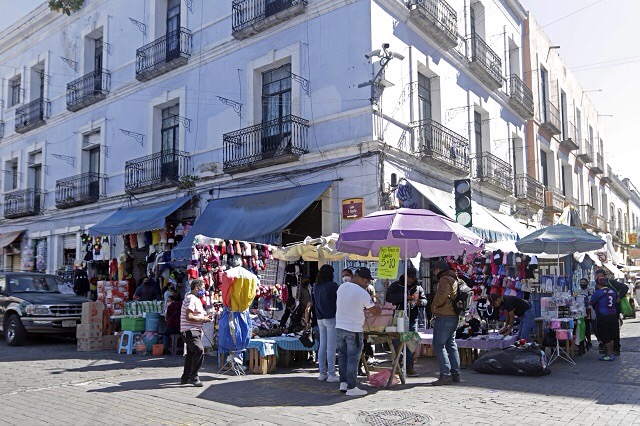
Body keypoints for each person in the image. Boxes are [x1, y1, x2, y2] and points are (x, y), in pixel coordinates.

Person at [335, 267, 381, 397]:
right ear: (362, 279)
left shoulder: (341, 287)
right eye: (366, 281)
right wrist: (378, 307)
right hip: (353, 329)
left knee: (343, 357)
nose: (367, 284)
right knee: (353, 360)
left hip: (339, 327)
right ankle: (352, 387)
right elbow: (374, 312)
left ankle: (343, 383)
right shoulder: (362, 292)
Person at [385, 267, 426, 377]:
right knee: (398, 341)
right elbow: (388, 297)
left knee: (411, 343)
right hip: (399, 317)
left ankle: (409, 366)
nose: (410, 280)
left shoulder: (418, 287)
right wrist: (403, 297)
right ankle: (397, 365)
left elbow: (425, 300)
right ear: (404, 275)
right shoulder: (396, 285)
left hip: (412, 318)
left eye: (412, 278)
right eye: (409, 278)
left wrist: (420, 302)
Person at [430, 260, 461, 386]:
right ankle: (455, 374)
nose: (434, 272)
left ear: (439, 269)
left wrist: (434, 306)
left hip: (444, 315)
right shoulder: (455, 278)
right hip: (453, 315)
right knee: (451, 344)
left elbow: (442, 295)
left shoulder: (444, 279)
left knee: (438, 345)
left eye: (435, 270)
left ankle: (445, 374)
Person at [180, 279, 213, 387]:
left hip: (193, 330)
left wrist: (204, 317)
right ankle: (194, 377)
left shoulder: (195, 299)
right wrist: (203, 319)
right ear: (196, 288)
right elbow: (189, 316)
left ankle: (185, 377)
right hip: (190, 330)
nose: (204, 290)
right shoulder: (191, 299)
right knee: (199, 351)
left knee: (191, 354)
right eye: (203, 288)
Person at [311, 264, 340, 382]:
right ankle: (331, 374)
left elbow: (313, 302)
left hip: (320, 318)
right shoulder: (333, 286)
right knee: (331, 347)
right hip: (331, 317)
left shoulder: (315, 286)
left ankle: (322, 373)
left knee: (322, 346)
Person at [595, 269, 627, 355]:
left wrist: (619, 297)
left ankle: (615, 349)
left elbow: (625, 287)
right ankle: (607, 349)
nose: (599, 278)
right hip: (602, 313)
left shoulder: (611, 282)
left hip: (613, 311)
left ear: (605, 276)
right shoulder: (597, 284)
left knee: (614, 331)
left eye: (601, 276)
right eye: (597, 276)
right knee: (603, 331)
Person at [590, 277, 619, 361]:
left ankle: (609, 355)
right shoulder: (612, 292)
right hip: (613, 315)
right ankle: (611, 353)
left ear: (598, 285)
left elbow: (591, 302)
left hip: (603, 316)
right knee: (611, 336)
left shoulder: (598, 292)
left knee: (605, 336)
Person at [577, 278, 595, 348]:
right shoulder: (578, 291)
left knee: (594, 326)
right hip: (583, 311)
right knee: (586, 326)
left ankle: (600, 341)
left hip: (591, 310)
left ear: (587, 283)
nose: (583, 284)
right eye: (581, 282)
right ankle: (587, 340)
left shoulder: (591, 290)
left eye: (584, 282)